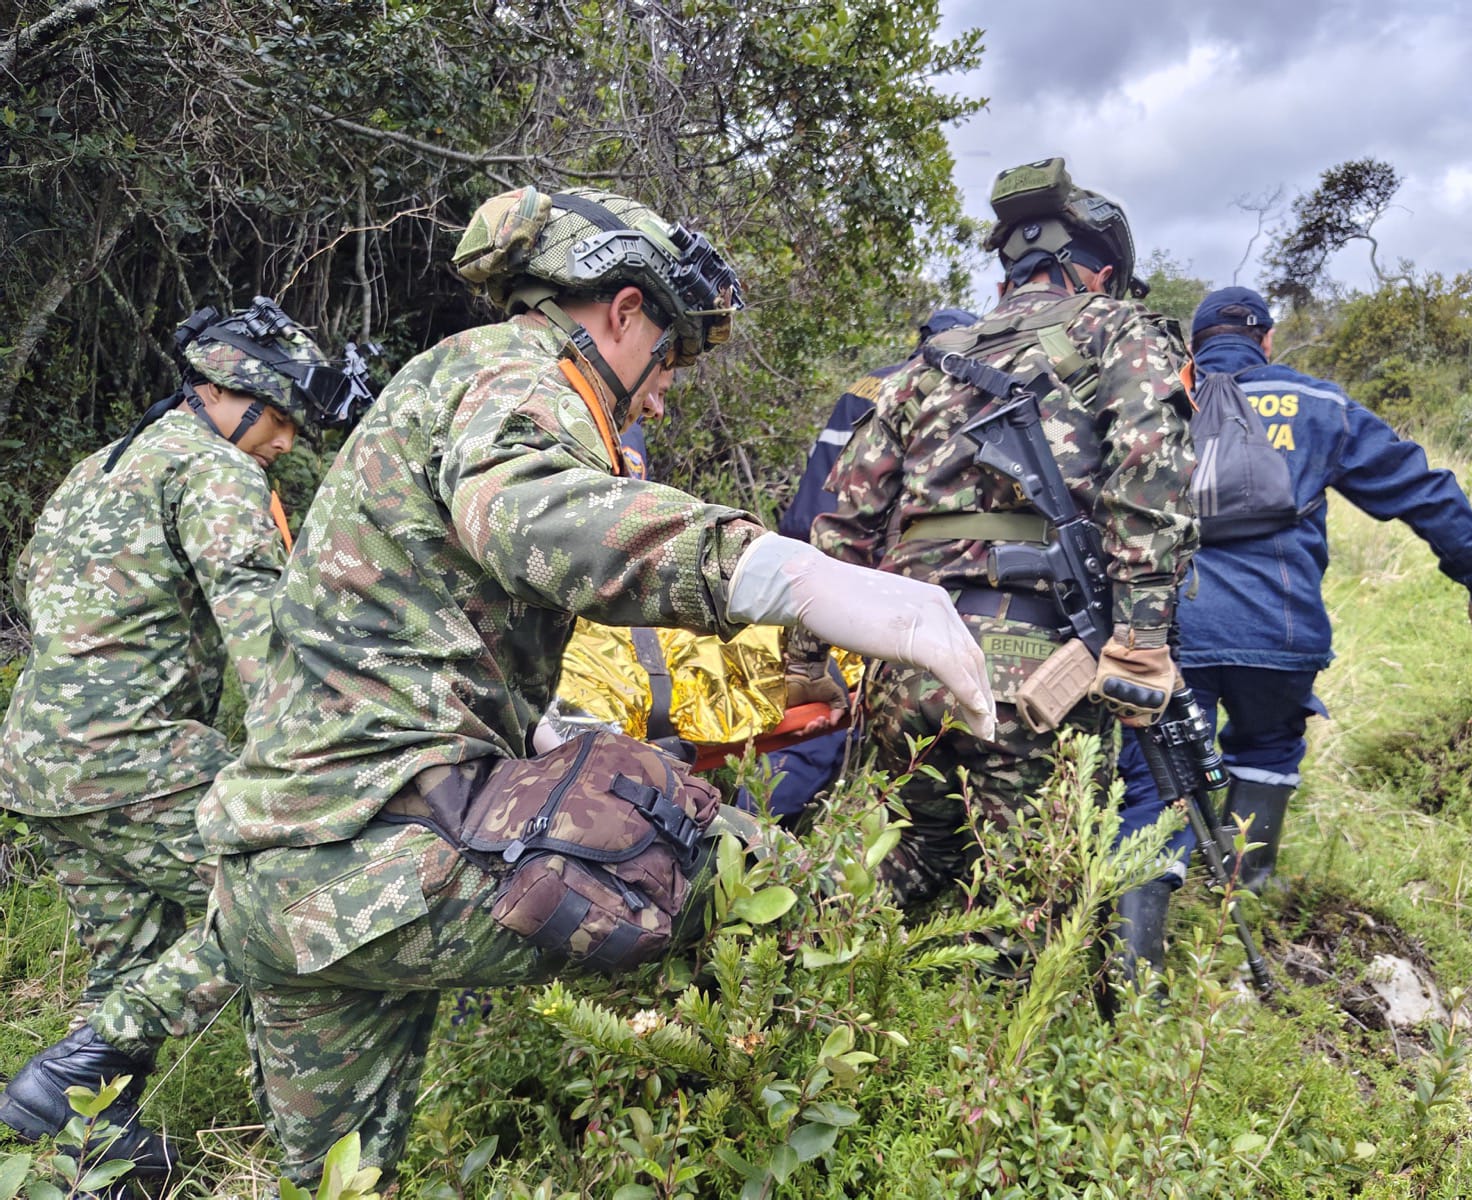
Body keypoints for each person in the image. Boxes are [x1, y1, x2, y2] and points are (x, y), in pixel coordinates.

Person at [41, 184, 993, 1189]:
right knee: (745, 871)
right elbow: (537, 515)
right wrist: (792, 575)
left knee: (337, 1181)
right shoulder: (516, 376)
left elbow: (421, 633)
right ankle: (856, 1134)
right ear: (623, 311)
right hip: (377, 869)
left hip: (280, 872)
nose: (663, 392)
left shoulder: (443, 380)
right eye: (667, 358)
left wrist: (536, 728)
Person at [0, 298, 365, 1174]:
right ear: (237, 397)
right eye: (282, 421)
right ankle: (310, 1159)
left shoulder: (101, 466)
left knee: (132, 965)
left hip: (38, 762)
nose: (287, 444)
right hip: (136, 755)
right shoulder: (217, 472)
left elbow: (34, 592)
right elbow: (265, 645)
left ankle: (93, 1166)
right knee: (292, 901)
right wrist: (324, 766)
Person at [800, 156, 1198, 924]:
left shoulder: (921, 371)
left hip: (905, 667)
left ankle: (807, 991)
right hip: (1034, 669)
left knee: (917, 856)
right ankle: (1008, 1037)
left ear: (1005, 281)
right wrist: (1144, 641)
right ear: (1101, 274)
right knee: (1036, 899)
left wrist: (806, 661)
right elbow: (1150, 479)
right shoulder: (1120, 332)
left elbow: (843, 517)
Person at [1116, 286, 1472, 959]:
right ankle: (1243, 906)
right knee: (1269, 747)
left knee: (1154, 781)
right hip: (1281, 634)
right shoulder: (1323, 405)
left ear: (1195, 345)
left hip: (1171, 632)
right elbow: (1421, 489)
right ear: (1267, 340)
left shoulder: (1157, 400)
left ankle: (1137, 978)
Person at [766, 307, 978, 824]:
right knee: (865, 740)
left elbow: (810, 506)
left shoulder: (866, 389)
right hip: (907, 593)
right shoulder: (971, 392)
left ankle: (761, 833)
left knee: (812, 723)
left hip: (827, 574)